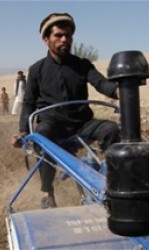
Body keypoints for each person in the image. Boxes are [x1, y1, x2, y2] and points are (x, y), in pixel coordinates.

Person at [12, 12, 120, 209]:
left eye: (68, 35)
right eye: (59, 35)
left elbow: (101, 83)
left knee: (111, 129)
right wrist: (23, 131)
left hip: (82, 125)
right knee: (42, 135)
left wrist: (118, 90)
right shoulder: (37, 69)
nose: (65, 39)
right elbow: (28, 103)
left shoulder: (82, 65)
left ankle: (115, 186)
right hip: (53, 125)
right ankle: (47, 193)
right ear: (46, 39)